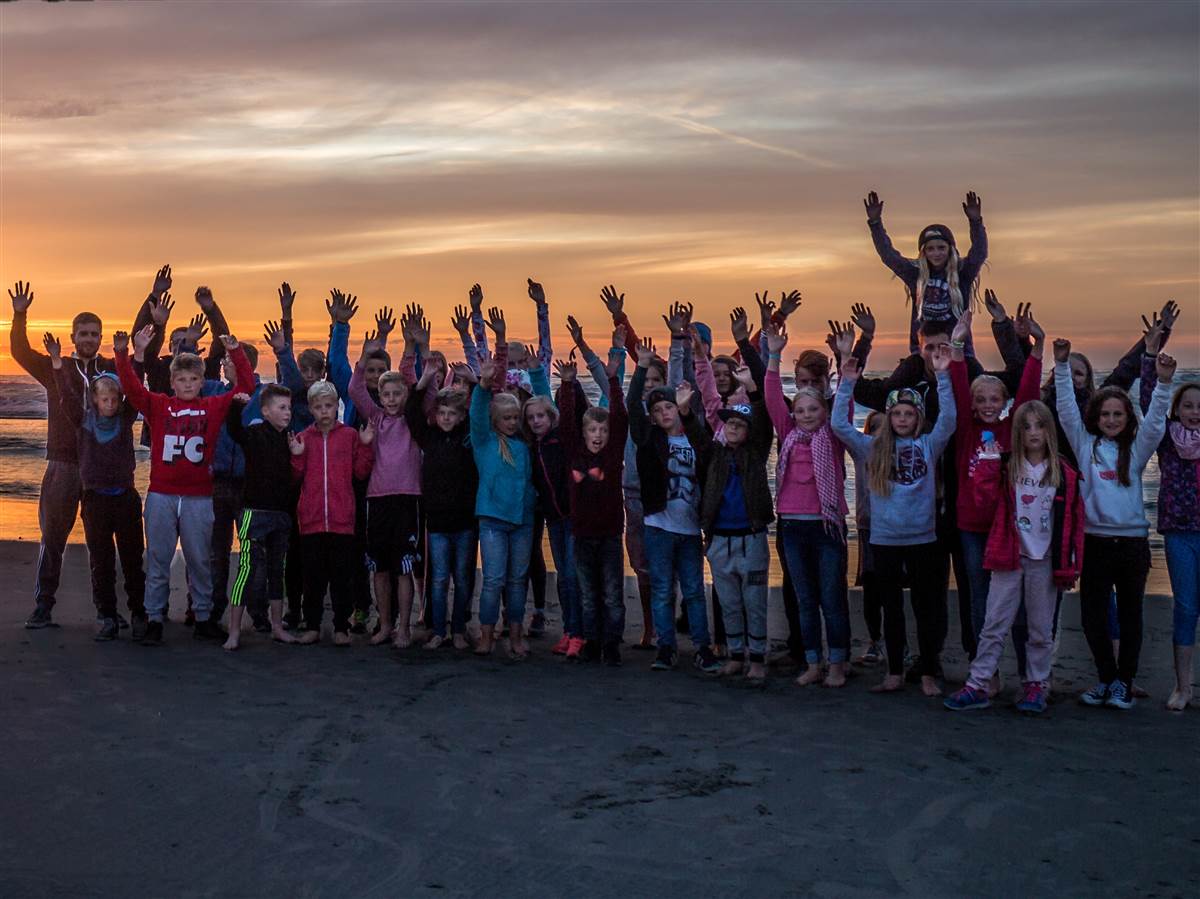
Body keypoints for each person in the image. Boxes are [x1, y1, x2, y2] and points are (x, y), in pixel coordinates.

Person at [114, 324, 255, 645]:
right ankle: (154, 618)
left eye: (194, 379)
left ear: (201, 381)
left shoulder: (212, 407)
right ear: (172, 381)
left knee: (199, 559)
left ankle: (203, 617)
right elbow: (132, 389)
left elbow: (245, 386)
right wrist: (125, 354)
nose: (188, 384)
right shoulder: (159, 405)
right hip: (162, 495)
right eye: (182, 379)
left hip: (198, 497)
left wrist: (236, 352)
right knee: (158, 558)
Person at [1053, 338, 1175, 709]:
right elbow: (1066, 411)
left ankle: (1124, 681)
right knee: (1093, 618)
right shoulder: (1084, 444)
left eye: (1117, 415)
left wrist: (1164, 382)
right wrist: (1060, 367)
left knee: (1131, 616)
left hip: (1132, 546)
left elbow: (1155, 425)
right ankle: (1106, 679)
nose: (1110, 420)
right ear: (1096, 417)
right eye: (1105, 414)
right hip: (1094, 543)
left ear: (1126, 418)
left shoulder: (1135, 452)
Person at [944, 400, 1085, 714]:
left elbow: (1074, 522)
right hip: (1009, 556)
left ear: (1050, 429)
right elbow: (984, 502)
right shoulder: (1007, 466)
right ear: (1017, 431)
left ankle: (1036, 685)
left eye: (1040, 425)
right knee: (994, 623)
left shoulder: (1064, 472)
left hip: (1045, 561)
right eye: (1025, 426)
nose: (1033, 432)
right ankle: (978, 683)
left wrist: (1070, 565)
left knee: (1039, 627)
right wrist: (987, 466)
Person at [832, 344, 956, 696]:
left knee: (926, 607)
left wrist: (943, 375)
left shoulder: (929, 445)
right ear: (888, 417)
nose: (902, 419)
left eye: (909, 414)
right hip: (885, 540)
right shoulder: (871, 448)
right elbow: (840, 425)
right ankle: (895, 671)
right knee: (892, 609)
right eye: (897, 413)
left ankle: (929, 671)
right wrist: (847, 383)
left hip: (923, 539)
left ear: (918, 418)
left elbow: (949, 419)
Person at [9, 280, 117, 628]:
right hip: (63, 464)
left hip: (101, 467)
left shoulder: (112, 371)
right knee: (53, 536)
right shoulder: (57, 368)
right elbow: (20, 352)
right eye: (83, 333)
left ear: (101, 338)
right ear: (74, 337)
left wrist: (153, 315)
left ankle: (106, 610)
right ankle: (43, 605)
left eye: (94, 334)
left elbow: (144, 362)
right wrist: (20, 315)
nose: (88, 339)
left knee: (101, 541)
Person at [948, 308, 1044, 679]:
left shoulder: (1012, 432)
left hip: (1010, 529)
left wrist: (1038, 348)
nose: (989, 405)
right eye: (981, 399)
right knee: (980, 600)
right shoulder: (965, 432)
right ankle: (985, 674)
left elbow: (1029, 396)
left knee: (1017, 604)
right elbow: (957, 386)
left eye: (995, 399)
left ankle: (1026, 675)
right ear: (973, 404)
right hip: (972, 528)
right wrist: (958, 344)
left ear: (1004, 403)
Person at [628, 337, 720, 674]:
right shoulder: (649, 439)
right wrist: (640, 368)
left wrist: (685, 411)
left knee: (694, 591)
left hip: (690, 529)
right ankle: (666, 647)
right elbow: (632, 408)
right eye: (657, 410)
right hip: (659, 528)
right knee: (663, 589)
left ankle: (702, 647)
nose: (663, 413)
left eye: (668, 407)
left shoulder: (693, 435)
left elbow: (708, 451)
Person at [765, 323, 851, 687]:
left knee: (831, 598)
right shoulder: (789, 434)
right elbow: (772, 399)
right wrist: (773, 355)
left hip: (826, 526)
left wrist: (845, 357)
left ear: (823, 410)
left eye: (814, 409)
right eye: (801, 410)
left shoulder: (833, 433)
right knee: (805, 599)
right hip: (792, 526)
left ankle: (837, 664)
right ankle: (813, 662)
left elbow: (845, 396)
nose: (807, 415)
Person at [47, 334, 145, 642]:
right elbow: (65, 395)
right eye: (105, 399)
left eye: (115, 400)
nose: (111, 404)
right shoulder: (84, 423)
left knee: (132, 559)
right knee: (101, 561)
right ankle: (106, 616)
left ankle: (139, 613)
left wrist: (131, 354)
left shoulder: (126, 420)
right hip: (95, 502)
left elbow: (136, 387)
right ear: (95, 400)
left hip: (125, 499)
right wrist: (58, 362)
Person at [556, 327, 629, 665]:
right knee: (588, 594)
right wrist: (568, 385)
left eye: (602, 430)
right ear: (584, 433)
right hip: (582, 534)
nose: (598, 435)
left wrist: (613, 382)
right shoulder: (573, 451)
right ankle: (591, 643)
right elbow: (566, 425)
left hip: (611, 534)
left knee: (613, 594)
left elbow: (621, 419)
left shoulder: (613, 454)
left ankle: (612, 644)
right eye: (592, 430)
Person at [349, 332, 423, 648]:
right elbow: (354, 389)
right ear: (379, 396)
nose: (392, 399)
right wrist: (365, 356)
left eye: (397, 393)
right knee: (379, 567)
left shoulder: (413, 419)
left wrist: (410, 349)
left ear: (405, 394)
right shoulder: (375, 417)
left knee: (403, 567)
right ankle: (385, 624)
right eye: (386, 394)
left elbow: (421, 386)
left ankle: (404, 627)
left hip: (407, 499)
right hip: (377, 499)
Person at [700, 371, 774, 680]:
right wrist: (686, 410)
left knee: (754, 602)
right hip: (719, 540)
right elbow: (694, 431)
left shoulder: (755, 453)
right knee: (728, 601)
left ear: (749, 431)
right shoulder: (713, 454)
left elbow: (765, 424)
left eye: (740, 424)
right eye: (729, 422)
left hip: (751, 538)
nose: (733, 427)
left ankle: (756, 659)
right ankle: (735, 654)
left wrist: (754, 391)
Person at [1139, 322, 1198, 711]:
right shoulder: (1168, 439)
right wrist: (1150, 355)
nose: (1195, 412)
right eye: (1189, 405)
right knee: (1187, 607)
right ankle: (1183, 685)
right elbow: (1148, 404)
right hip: (1179, 533)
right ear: (1177, 409)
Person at [470, 310, 536, 658]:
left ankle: (514, 635)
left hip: (522, 521)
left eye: (515, 417)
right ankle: (485, 635)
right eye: (506, 418)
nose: (511, 423)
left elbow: (544, 402)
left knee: (516, 581)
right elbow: (477, 410)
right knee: (493, 579)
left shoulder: (526, 444)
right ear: (497, 419)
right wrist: (483, 384)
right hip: (493, 519)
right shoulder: (483, 441)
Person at [289, 381, 375, 645]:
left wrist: (366, 445)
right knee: (313, 578)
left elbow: (360, 472)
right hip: (311, 519)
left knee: (341, 577)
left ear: (337, 406)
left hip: (342, 519)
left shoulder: (349, 435)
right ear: (311, 409)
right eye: (318, 407)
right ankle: (313, 625)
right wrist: (296, 455)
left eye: (328, 406)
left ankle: (341, 627)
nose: (324, 411)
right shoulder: (304, 437)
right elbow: (295, 477)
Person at [406, 355, 479, 651]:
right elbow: (411, 412)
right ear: (435, 415)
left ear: (461, 416)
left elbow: (482, 413)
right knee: (437, 579)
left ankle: (459, 629)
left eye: (452, 413)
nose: (447, 417)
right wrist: (424, 382)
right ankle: (438, 630)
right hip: (436, 522)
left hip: (465, 521)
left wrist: (473, 383)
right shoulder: (428, 437)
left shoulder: (469, 436)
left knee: (462, 578)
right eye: (442, 412)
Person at [222, 383, 301, 651]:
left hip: (281, 514)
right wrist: (236, 406)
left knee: (277, 571)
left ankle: (277, 626)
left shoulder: (290, 439)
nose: (287, 413)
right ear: (265, 411)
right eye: (281, 408)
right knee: (247, 569)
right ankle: (233, 631)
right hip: (254, 513)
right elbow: (234, 431)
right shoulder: (256, 433)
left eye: (289, 408)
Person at [863, 189, 987, 353]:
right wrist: (875, 223)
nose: (936, 253)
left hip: (959, 350)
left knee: (980, 378)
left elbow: (979, 253)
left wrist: (976, 221)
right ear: (924, 252)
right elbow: (889, 256)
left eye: (941, 248)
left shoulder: (963, 272)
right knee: (897, 379)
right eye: (931, 249)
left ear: (950, 249)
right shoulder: (915, 274)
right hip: (922, 351)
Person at [524, 390, 582, 657]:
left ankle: (578, 633)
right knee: (562, 576)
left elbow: (570, 418)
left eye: (541, 416)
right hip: (554, 520)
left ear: (551, 417)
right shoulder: (533, 447)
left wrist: (569, 385)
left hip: (572, 518)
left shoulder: (561, 440)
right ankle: (569, 631)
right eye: (531, 417)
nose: (536, 421)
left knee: (571, 576)